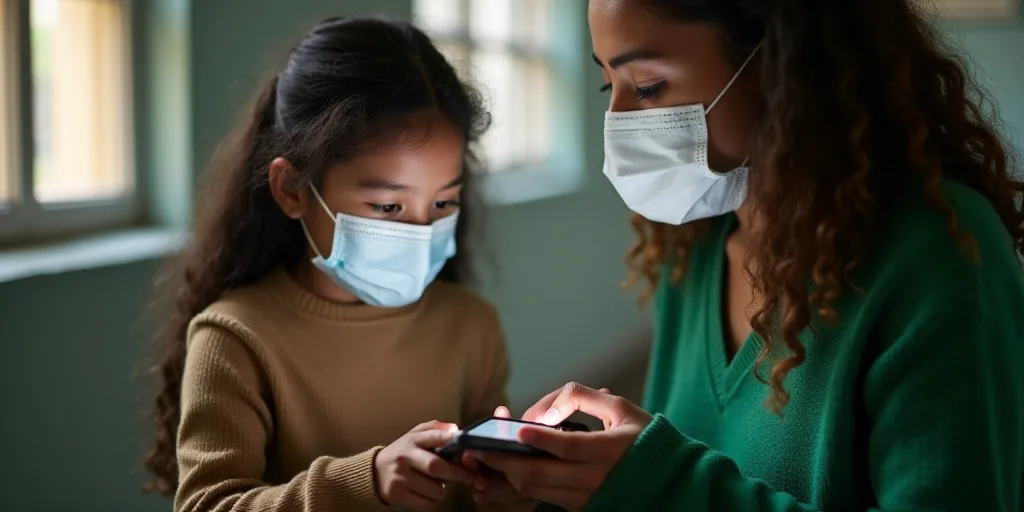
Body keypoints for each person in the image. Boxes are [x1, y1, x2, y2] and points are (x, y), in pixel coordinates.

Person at [470, 0, 1024, 511]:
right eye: (605, 85)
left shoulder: (942, 253)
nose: (618, 121)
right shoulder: (696, 246)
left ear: (783, 66)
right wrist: (567, 487)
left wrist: (658, 481)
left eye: (647, 86)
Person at [142, 17, 518, 512]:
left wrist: (511, 489)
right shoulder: (235, 340)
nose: (422, 232)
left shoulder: (472, 326)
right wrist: (369, 482)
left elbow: (476, 492)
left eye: (444, 204)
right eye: (387, 207)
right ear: (292, 189)